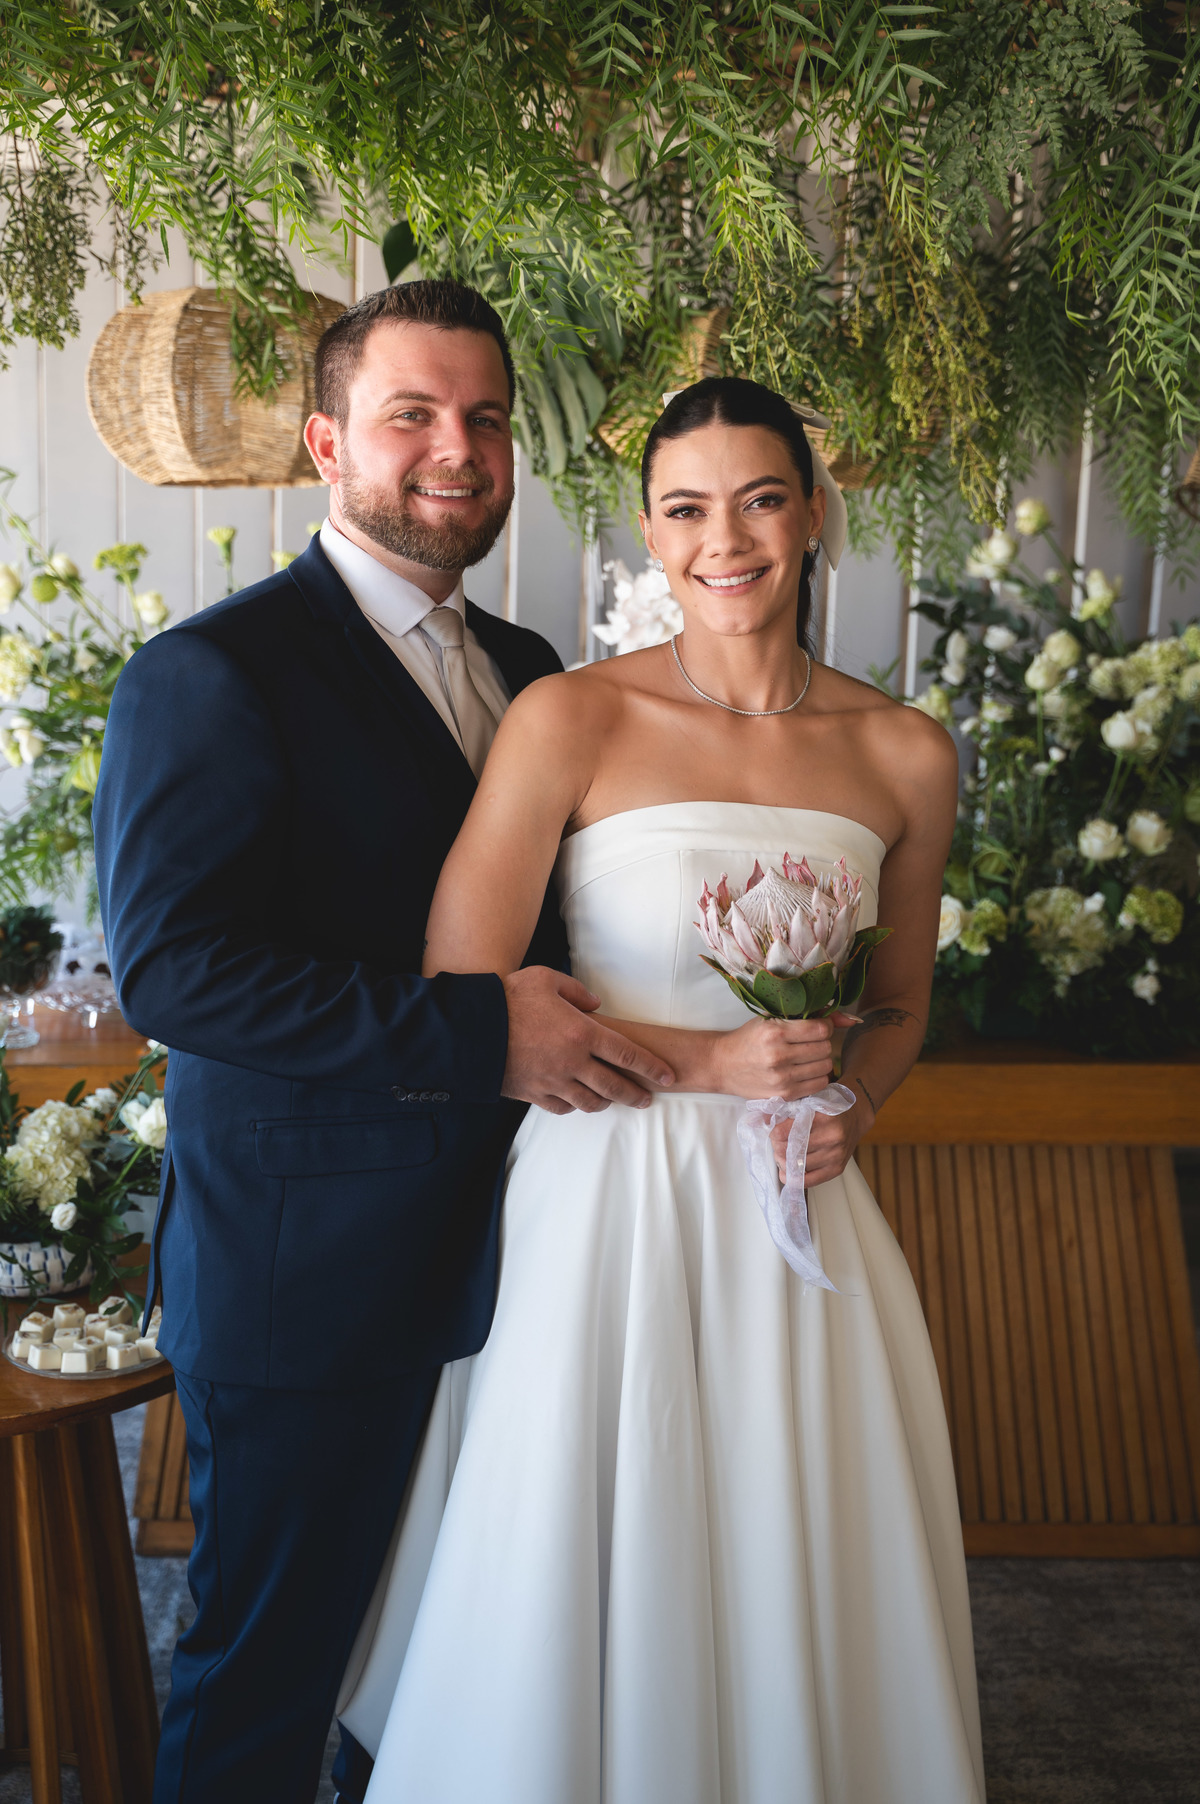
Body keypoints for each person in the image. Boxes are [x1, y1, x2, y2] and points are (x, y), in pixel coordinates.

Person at [337, 376, 986, 1803]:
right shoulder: (570, 719)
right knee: (591, 1542)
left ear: (815, 516)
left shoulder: (906, 753)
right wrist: (707, 1067)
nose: (725, 538)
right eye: (687, 508)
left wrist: (852, 1107)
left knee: (788, 1537)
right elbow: (465, 978)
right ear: (650, 530)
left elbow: (900, 1006)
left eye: (760, 498)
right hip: (602, 1199)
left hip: (795, 1221)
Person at [92, 279, 693, 1803]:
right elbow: (176, 973)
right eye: (412, 415)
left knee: (445, 1680)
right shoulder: (212, 674)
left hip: (527, 1261)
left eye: (484, 418)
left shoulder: (537, 666)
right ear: (323, 442)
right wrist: (474, 1032)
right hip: (311, 1278)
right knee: (268, 1681)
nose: (457, 448)